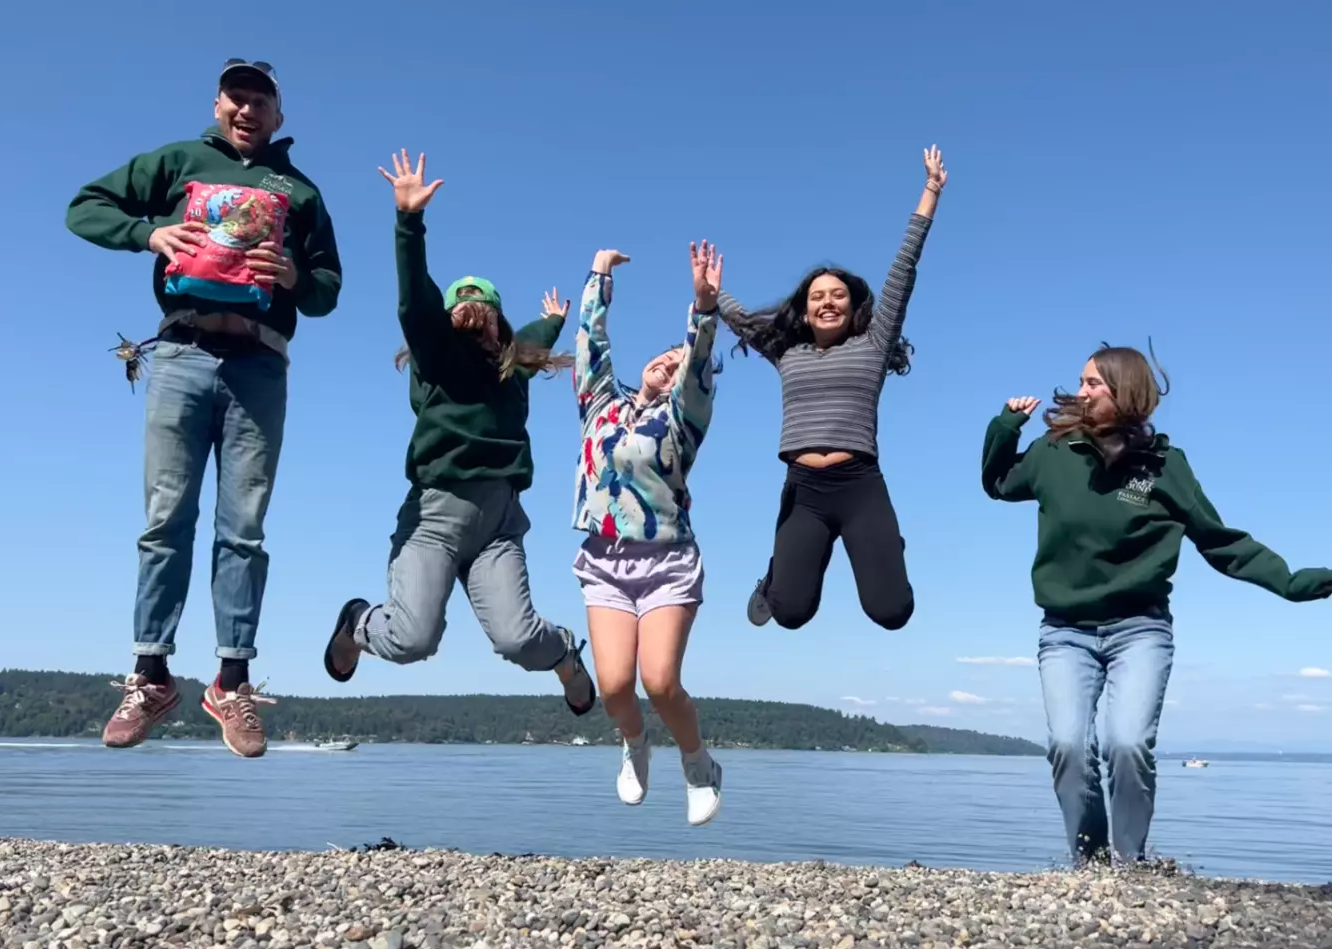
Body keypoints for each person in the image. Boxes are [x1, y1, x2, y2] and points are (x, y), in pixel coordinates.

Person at [66, 59, 344, 759]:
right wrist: (150, 234)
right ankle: (151, 674)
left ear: (281, 117)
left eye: (262, 100)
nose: (247, 109)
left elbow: (330, 287)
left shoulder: (299, 191)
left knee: (243, 527)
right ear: (218, 105)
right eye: (236, 97)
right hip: (181, 356)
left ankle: (232, 680)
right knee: (165, 517)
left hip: (261, 362)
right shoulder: (178, 162)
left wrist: (295, 277)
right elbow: (84, 207)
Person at [980, 345, 1332, 867]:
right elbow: (997, 484)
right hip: (1065, 632)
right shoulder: (1052, 452)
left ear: (1126, 392)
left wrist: (1288, 581)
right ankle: (1090, 863)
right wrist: (1004, 429)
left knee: (1126, 744)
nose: (1081, 392)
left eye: (1093, 384)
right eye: (1081, 382)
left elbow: (1218, 540)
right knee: (1068, 745)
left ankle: (1131, 866)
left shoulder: (1164, 466)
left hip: (1140, 630)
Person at [321, 150, 595, 716]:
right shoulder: (437, 357)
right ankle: (356, 620)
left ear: (501, 322)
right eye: (460, 304)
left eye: (483, 305)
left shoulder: (514, 363)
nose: (471, 309)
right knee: (412, 640)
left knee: (519, 641)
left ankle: (567, 655)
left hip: (498, 524)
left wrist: (556, 320)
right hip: (433, 520)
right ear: (445, 320)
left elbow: (533, 338)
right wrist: (408, 222)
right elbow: (414, 303)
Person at [717, 146, 947, 632]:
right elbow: (741, 320)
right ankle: (775, 574)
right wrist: (710, 294)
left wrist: (929, 193)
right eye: (817, 296)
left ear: (852, 305)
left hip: (861, 485)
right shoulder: (788, 352)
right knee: (791, 613)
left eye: (837, 295)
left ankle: (887, 544)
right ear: (803, 310)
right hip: (805, 490)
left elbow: (902, 270)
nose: (827, 302)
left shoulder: (874, 343)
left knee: (892, 612)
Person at [571, 243, 726, 826]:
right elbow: (590, 343)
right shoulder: (600, 409)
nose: (666, 363)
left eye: (675, 361)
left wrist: (702, 311)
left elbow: (699, 361)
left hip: (666, 563)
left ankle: (698, 764)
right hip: (605, 561)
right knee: (614, 687)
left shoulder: (683, 420)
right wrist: (598, 277)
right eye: (659, 358)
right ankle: (636, 745)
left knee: (659, 682)